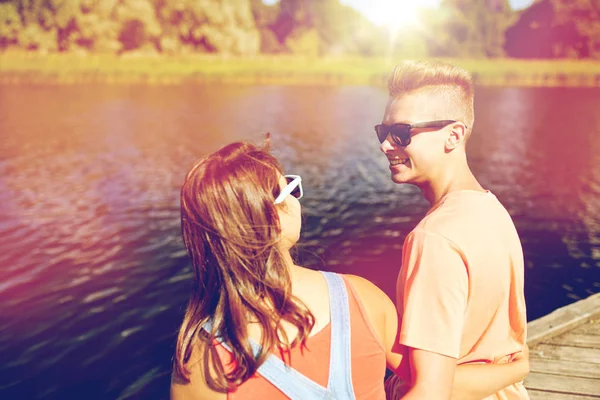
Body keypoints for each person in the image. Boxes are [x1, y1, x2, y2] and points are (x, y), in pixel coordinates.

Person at [170, 140, 529, 400]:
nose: (296, 196)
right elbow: (434, 385)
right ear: (275, 216)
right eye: (288, 188)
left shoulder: (203, 355)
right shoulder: (362, 299)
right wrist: (513, 369)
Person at [376, 60, 529, 399]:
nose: (386, 145)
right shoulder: (493, 210)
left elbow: (431, 392)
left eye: (401, 133)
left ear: (454, 135)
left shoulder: (433, 239)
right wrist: (518, 369)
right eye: (382, 133)